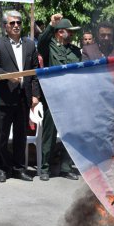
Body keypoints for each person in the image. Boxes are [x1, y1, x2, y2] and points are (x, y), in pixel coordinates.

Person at [0, 11, 41, 182]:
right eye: (12, 23)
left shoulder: (30, 45)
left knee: (20, 135)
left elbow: (34, 72)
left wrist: (35, 96)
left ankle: (19, 168)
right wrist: (8, 75)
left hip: (23, 98)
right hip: (5, 97)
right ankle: (1, 168)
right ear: (5, 26)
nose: (16, 25)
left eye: (18, 22)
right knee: (2, 136)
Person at [37, 13, 81, 181]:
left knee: (70, 134)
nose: (72, 34)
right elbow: (41, 41)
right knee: (49, 133)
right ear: (59, 32)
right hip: (53, 97)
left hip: (70, 97)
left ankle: (65, 167)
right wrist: (50, 24)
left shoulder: (75, 51)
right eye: (69, 32)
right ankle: (45, 168)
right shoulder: (49, 47)